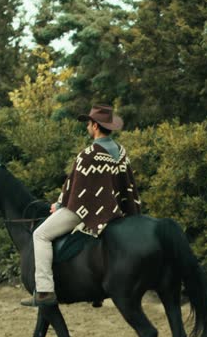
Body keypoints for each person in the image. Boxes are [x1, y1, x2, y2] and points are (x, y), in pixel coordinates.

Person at [21, 105, 142, 307]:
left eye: (88, 123)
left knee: (40, 235)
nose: (87, 126)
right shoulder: (121, 152)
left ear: (95, 126)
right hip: (115, 213)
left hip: (84, 214)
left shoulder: (88, 154)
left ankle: (44, 291)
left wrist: (59, 206)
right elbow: (125, 187)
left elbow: (76, 191)